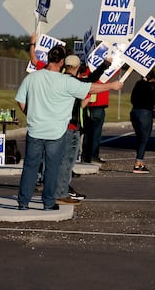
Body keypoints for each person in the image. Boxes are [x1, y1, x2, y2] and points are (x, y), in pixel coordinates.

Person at [15, 44, 123, 211]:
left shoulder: (32, 78)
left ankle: (23, 202)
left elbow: (20, 100)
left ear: (49, 58)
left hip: (35, 129)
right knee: (52, 168)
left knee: (30, 167)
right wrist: (112, 86)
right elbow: (90, 87)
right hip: (57, 132)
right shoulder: (66, 82)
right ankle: (49, 202)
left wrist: (30, 115)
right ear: (62, 62)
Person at [55, 54, 111, 205]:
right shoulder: (73, 82)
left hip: (59, 124)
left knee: (59, 161)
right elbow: (90, 81)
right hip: (70, 125)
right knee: (67, 162)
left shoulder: (58, 80)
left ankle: (60, 189)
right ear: (77, 67)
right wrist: (105, 66)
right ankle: (61, 192)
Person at [129, 70, 155, 174]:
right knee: (144, 138)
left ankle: (141, 161)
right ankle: (138, 164)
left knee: (139, 137)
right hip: (145, 113)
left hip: (134, 112)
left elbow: (132, 99)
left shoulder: (138, 84)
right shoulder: (151, 85)